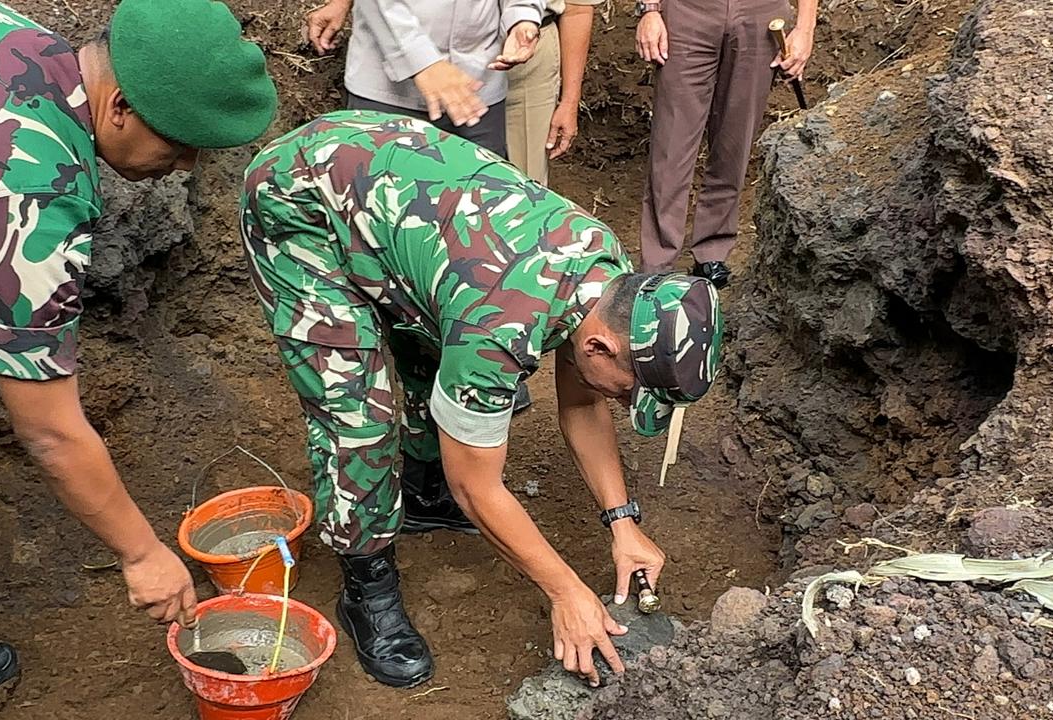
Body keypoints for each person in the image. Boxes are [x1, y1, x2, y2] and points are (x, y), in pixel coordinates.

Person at [240, 110, 724, 689]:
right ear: (602, 346)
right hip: (301, 201)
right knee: (357, 420)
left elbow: (581, 402)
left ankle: (420, 496)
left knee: (429, 351)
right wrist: (565, 591)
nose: (624, 404)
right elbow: (478, 485)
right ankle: (366, 584)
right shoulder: (500, 328)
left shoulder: (606, 274)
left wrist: (622, 522)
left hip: (387, 192)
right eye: (631, 391)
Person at [0, 1, 277, 717]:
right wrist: (143, 554)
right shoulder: (33, 192)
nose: (187, 163)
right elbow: (47, 429)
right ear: (123, 106)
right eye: (180, 142)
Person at [302, 0, 545, 532]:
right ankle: (393, 437)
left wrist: (523, 18)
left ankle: (436, 456)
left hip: (479, 85)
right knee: (385, 266)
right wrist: (421, 61)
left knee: (476, 250)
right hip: (391, 85)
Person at [635, 0, 817, 287]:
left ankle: (712, 250)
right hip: (688, 11)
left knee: (734, 141)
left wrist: (805, 28)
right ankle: (658, 262)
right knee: (671, 147)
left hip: (760, 14)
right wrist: (650, 9)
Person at [302, 0, 544, 158]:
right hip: (387, 92)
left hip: (479, 91)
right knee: (381, 211)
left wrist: (523, 17)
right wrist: (421, 60)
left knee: (482, 211)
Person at [505, 0, 603, 185]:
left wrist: (569, 101)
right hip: (445, 58)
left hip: (529, 57)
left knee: (526, 184)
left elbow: (577, 9)